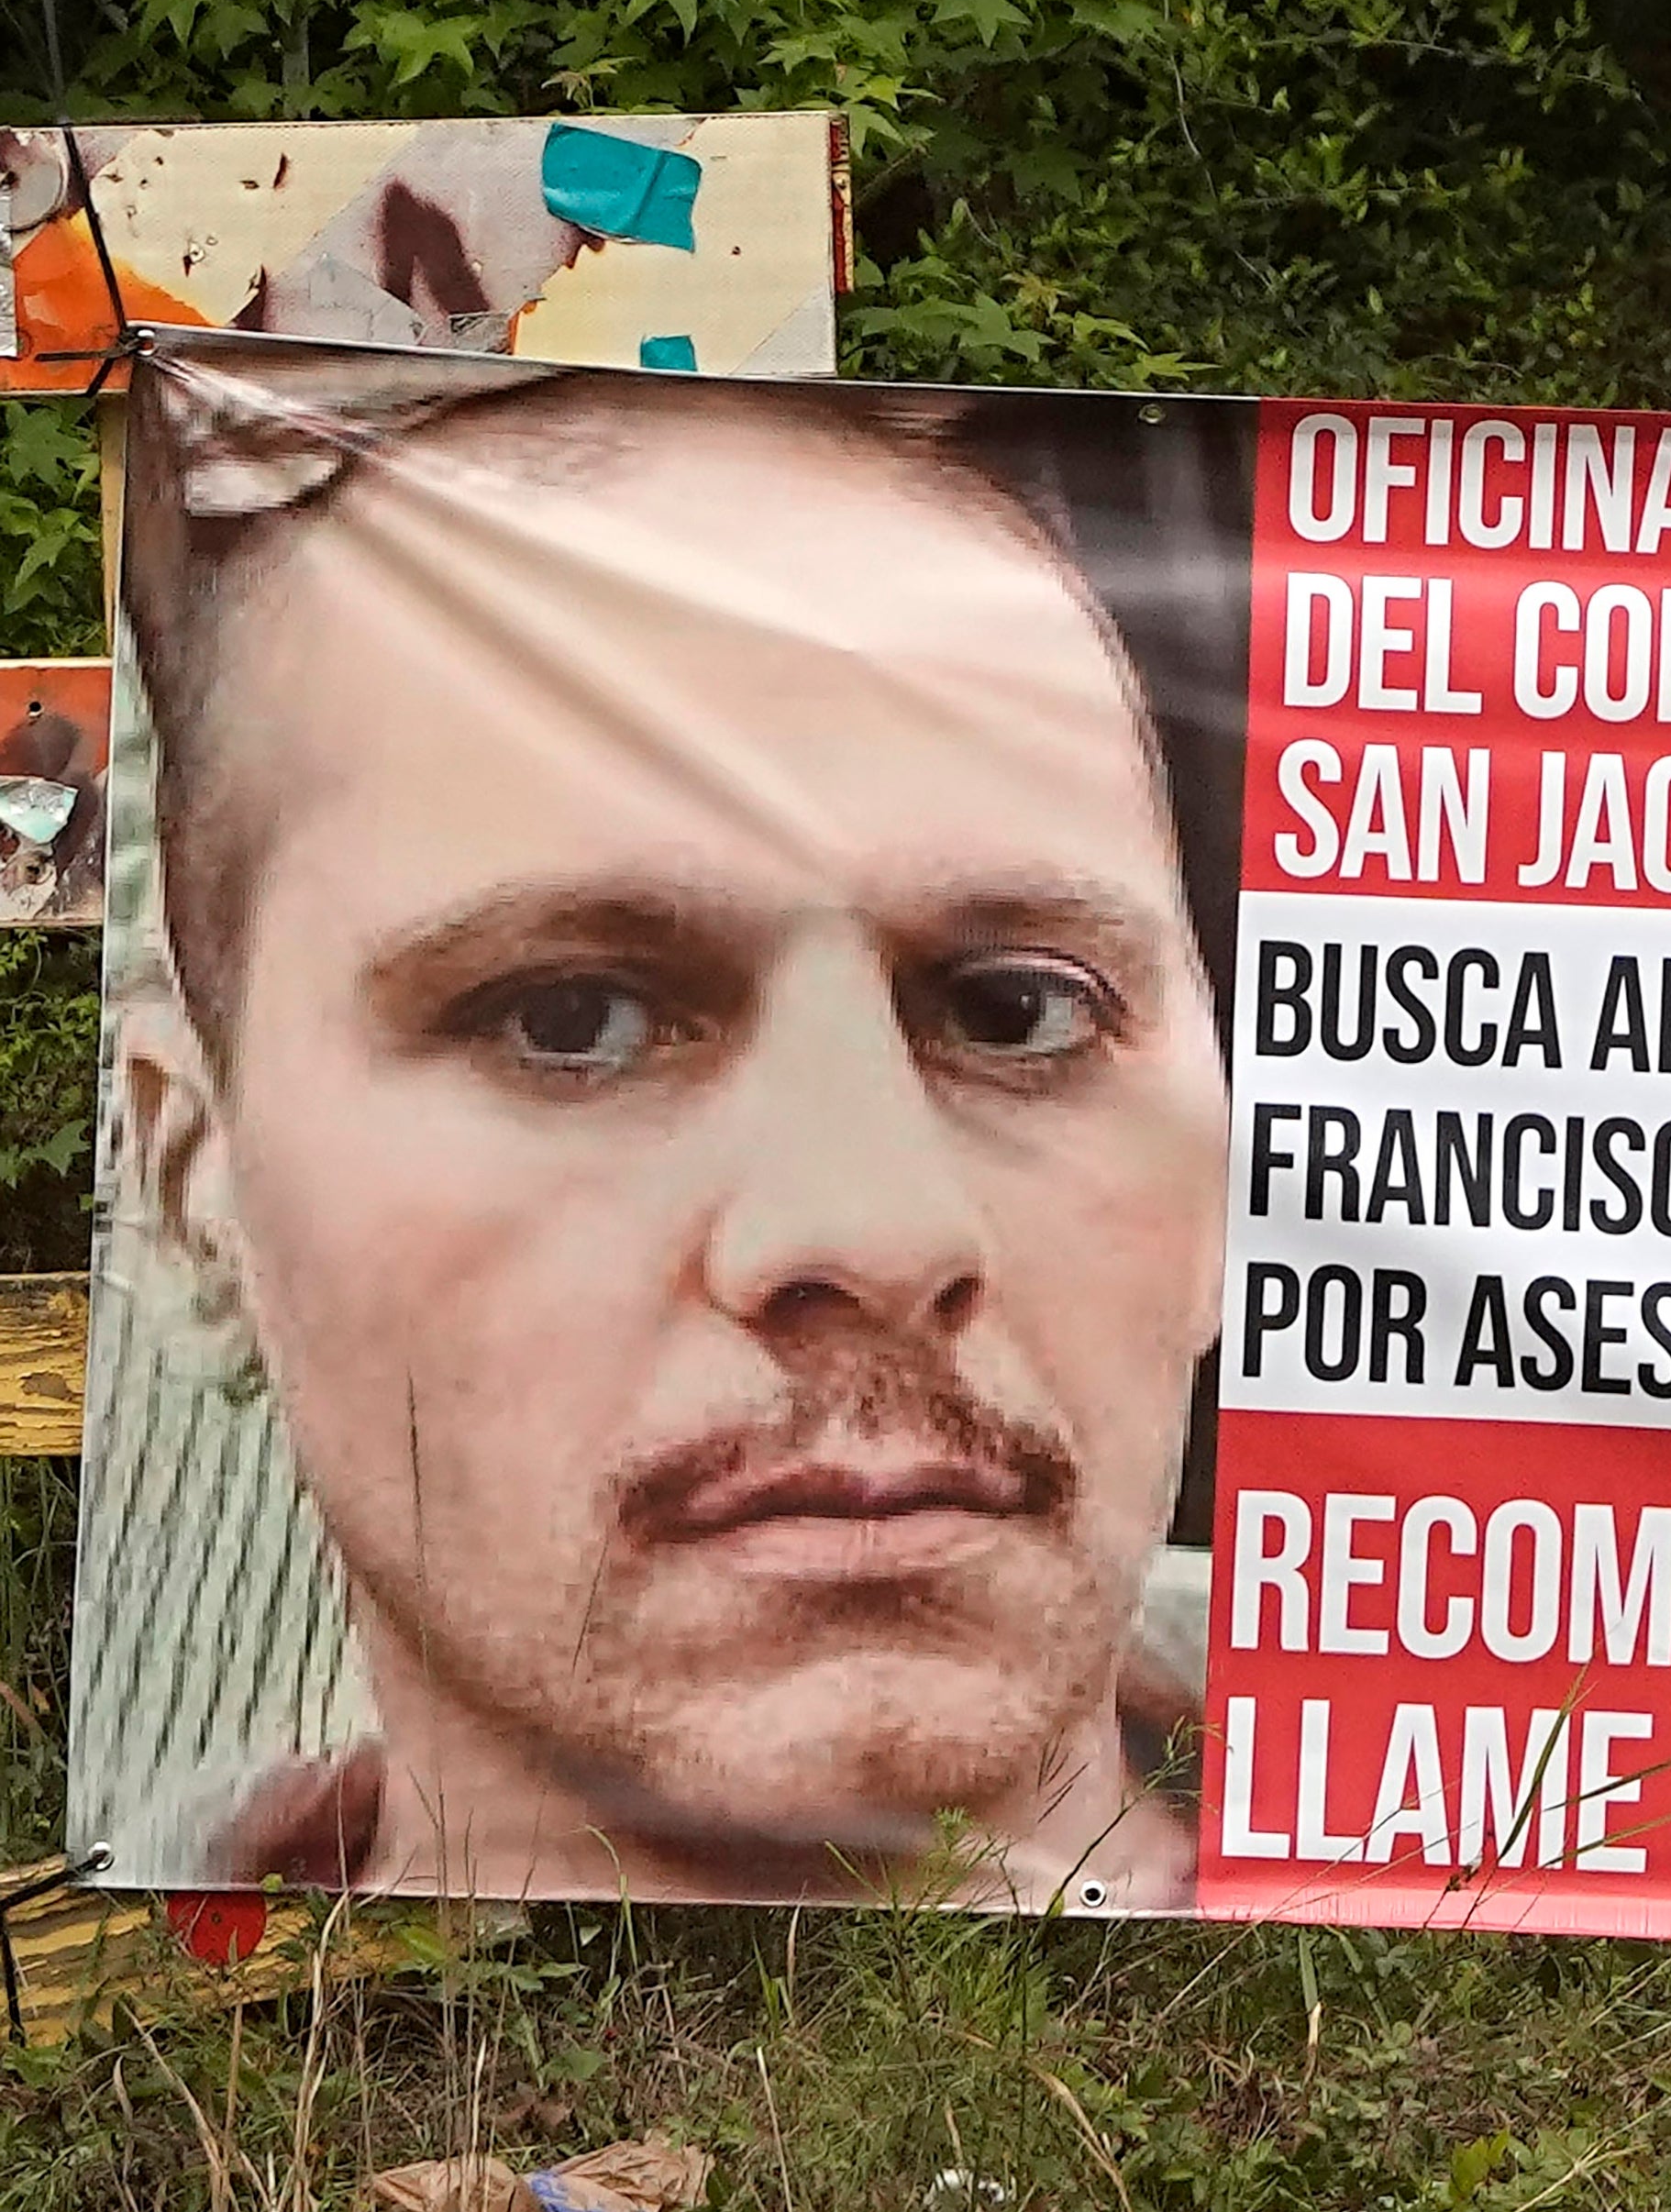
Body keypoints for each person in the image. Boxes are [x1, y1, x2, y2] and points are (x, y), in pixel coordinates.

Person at [105, 341, 1230, 1905]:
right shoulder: (155, 2078)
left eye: (1015, 1010)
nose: (875, 1227)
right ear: (187, 1188)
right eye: (573, 1021)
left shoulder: (1568, 1846)